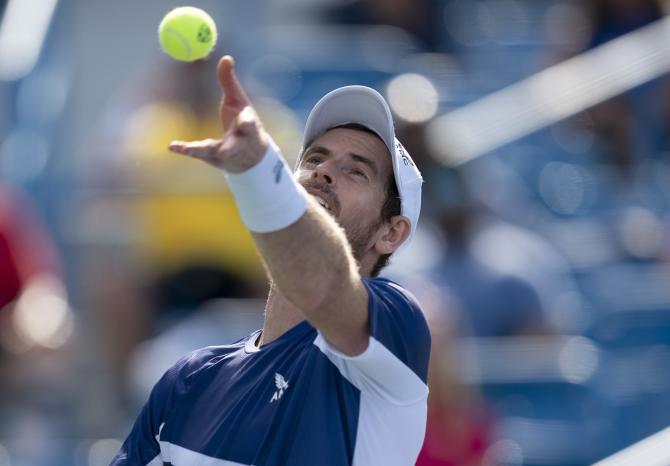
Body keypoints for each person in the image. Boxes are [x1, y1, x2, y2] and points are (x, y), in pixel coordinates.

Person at [111, 55, 430, 466]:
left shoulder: (398, 327)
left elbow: (322, 283)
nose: (323, 172)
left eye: (356, 172)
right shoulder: (186, 381)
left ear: (392, 232)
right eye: (314, 159)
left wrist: (258, 174)